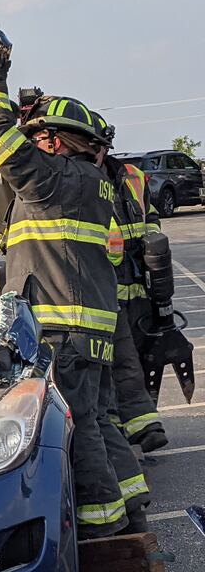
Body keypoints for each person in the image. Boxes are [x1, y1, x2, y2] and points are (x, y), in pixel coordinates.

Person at [0, 42, 141, 538]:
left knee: (77, 426)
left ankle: (100, 531)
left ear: (55, 142)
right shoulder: (86, 181)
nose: (34, 144)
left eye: (39, 136)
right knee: (98, 418)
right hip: (88, 327)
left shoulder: (57, 180)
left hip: (61, 331)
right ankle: (133, 510)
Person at [94, 112, 168, 453]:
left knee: (124, 363)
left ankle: (132, 429)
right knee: (120, 363)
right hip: (117, 287)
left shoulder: (122, 178)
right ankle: (135, 428)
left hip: (126, 289)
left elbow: (151, 223)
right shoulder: (120, 177)